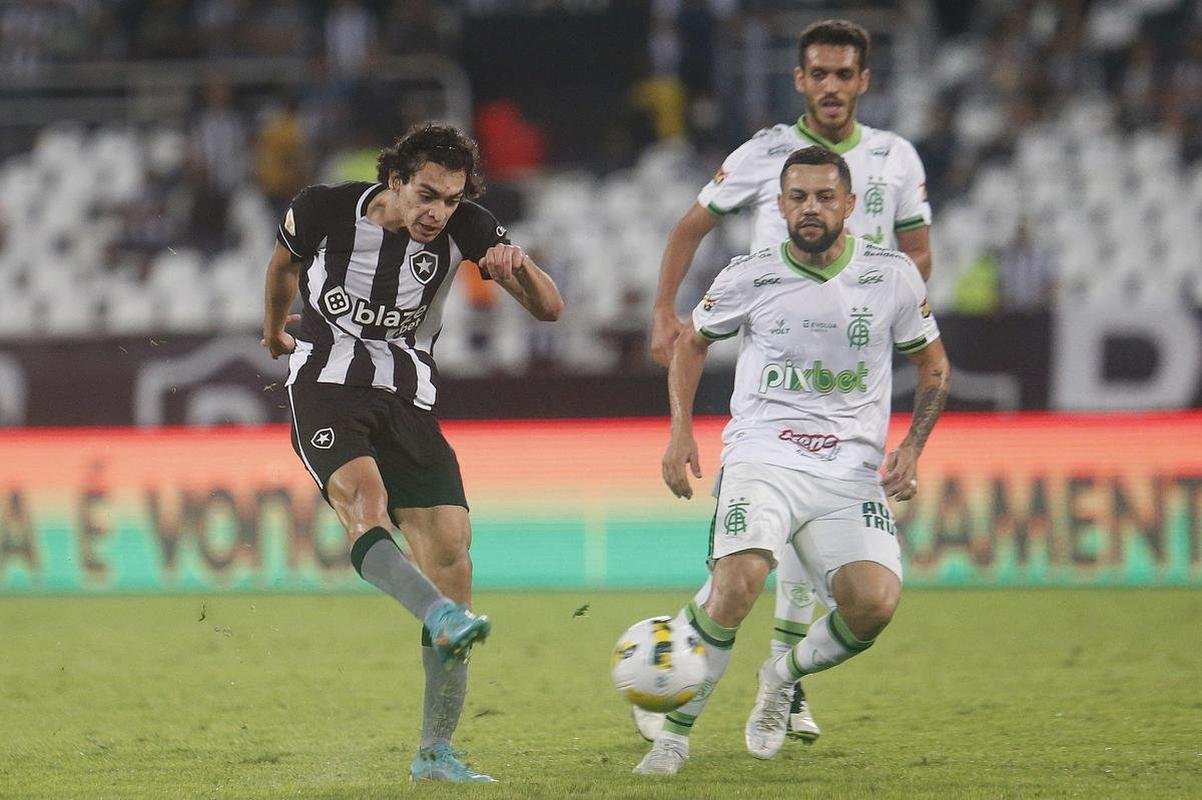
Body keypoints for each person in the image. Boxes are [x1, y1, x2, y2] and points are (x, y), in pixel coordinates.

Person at [638, 18, 934, 744]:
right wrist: (663, 312)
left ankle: (774, 679)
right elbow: (689, 227)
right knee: (762, 556)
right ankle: (734, 675)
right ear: (799, 80)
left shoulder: (895, 159)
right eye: (819, 74)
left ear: (864, 81)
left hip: (848, 383)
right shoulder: (764, 152)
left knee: (818, 554)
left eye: (845, 74)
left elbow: (918, 254)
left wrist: (871, 308)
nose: (831, 87)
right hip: (772, 360)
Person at [260, 123, 563, 783]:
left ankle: (435, 753)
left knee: (453, 553)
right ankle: (441, 618)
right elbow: (283, 266)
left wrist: (522, 272)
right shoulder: (321, 209)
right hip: (326, 387)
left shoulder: (470, 228)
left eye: (451, 200)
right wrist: (272, 332)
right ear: (393, 180)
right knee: (365, 503)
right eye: (427, 194)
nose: (438, 212)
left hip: (408, 397)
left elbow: (550, 309)